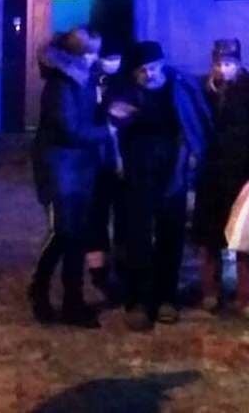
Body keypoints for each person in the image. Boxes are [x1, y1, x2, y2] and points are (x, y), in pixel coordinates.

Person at [109, 40, 212, 331]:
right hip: (137, 173)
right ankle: (138, 301)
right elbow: (111, 126)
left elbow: (195, 124)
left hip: (173, 172)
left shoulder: (179, 87)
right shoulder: (126, 90)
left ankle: (167, 297)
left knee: (171, 235)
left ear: (162, 64)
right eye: (143, 70)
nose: (149, 74)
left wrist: (193, 160)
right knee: (137, 237)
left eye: (153, 68)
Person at [29, 27, 109, 328]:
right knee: (61, 233)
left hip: (79, 166)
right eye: (91, 53)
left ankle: (73, 300)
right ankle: (39, 289)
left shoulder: (84, 78)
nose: (95, 58)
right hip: (59, 168)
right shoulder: (61, 84)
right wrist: (108, 130)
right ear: (76, 55)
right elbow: (69, 130)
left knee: (76, 235)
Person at [192, 38, 249, 319]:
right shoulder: (203, 89)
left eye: (228, 64)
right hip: (211, 172)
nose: (223, 69)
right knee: (209, 235)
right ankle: (210, 292)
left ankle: (248, 296)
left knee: (244, 234)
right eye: (218, 64)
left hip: (242, 170)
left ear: (238, 63)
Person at [85, 37, 126, 300]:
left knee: (122, 218)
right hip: (96, 162)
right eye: (107, 58)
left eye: (116, 58)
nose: (112, 63)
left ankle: (121, 270)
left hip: (118, 161)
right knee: (96, 220)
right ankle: (99, 275)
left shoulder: (125, 82)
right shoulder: (87, 81)